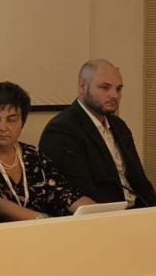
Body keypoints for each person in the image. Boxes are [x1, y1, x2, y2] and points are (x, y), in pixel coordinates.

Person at [0, 82, 92, 221]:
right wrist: (44, 220)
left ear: (22, 122)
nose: (2, 127)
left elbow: (66, 194)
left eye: (11, 120)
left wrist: (98, 213)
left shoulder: (34, 155)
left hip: (40, 231)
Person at [39, 59, 156, 207]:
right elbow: (79, 192)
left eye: (118, 89)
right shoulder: (61, 130)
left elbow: (140, 181)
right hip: (105, 214)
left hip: (139, 210)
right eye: (105, 87)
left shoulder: (119, 125)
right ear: (82, 87)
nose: (114, 95)